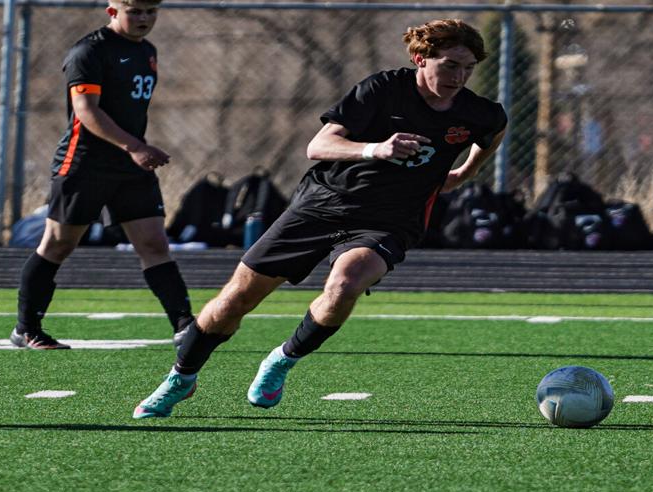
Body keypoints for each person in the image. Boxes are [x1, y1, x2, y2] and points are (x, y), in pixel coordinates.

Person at [131, 19, 507, 419]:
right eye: (449, 65)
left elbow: (493, 134)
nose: (459, 76)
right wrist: (375, 150)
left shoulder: (479, 113)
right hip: (323, 203)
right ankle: (181, 378)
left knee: (345, 283)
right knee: (235, 300)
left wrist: (462, 175)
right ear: (420, 59)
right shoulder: (382, 89)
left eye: (468, 68)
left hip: (391, 219)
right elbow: (319, 145)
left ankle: (282, 360)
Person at [14, 0, 192, 349]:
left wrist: (133, 150)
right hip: (84, 164)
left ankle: (185, 325)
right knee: (58, 244)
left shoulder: (148, 51)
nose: (144, 18)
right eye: (135, 11)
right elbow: (86, 112)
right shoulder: (89, 51)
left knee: (154, 243)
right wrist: (135, 147)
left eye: (150, 11)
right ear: (113, 11)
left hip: (130, 165)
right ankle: (26, 328)